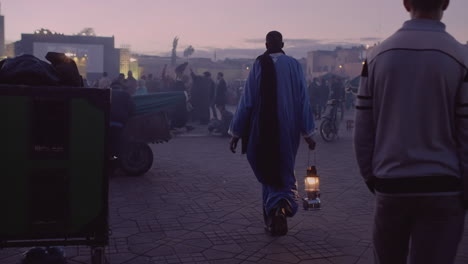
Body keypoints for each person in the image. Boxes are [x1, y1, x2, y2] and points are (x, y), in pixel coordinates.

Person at [354, 0, 468, 263]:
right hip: (444, 187)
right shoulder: (460, 57)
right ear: (446, 3)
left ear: (406, 4)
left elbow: (363, 130)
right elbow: (466, 133)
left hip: (391, 184)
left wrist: (374, 178)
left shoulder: (377, 57)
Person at [229, 31, 316, 236]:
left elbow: (247, 100)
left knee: (267, 168)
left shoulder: (259, 64)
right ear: (282, 44)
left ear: (266, 44)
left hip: (262, 128)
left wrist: (236, 132)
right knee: (284, 168)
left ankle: (273, 212)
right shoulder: (294, 65)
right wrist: (308, 133)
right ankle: (282, 207)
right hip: (289, 128)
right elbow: (303, 99)